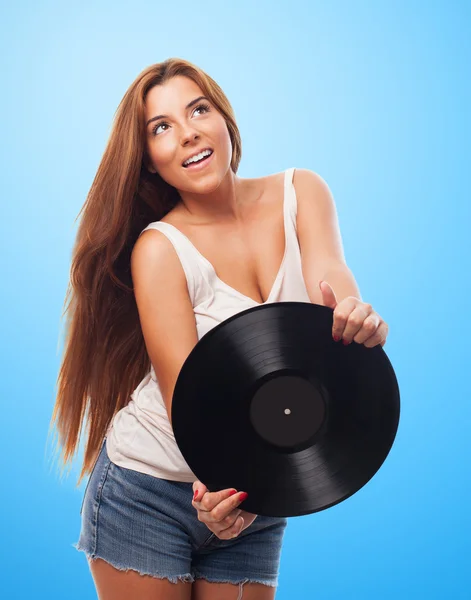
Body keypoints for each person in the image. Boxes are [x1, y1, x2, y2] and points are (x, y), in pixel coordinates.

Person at [50, 57, 366, 600]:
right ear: (149, 161)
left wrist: (354, 313)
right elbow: (187, 406)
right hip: (145, 493)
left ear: (224, 119)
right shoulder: (159, 250)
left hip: (255, 489)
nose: (188, 132)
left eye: (198, 109)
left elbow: (330, 281)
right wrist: (221, 491)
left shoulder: (302, 193)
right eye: (162, 127)